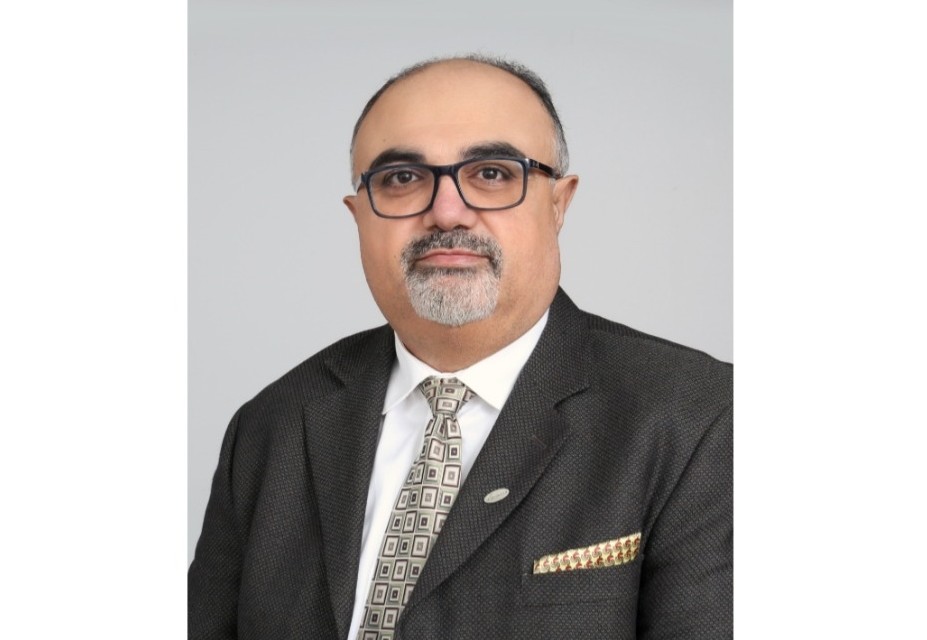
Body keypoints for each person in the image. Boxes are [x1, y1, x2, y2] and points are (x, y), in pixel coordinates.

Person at [189, 54, 732, 640]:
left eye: (492, 174)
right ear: (359, 218)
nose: (446, 211)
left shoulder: (699, 417)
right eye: (401, 179)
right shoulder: (274, 424)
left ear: (559, 204)